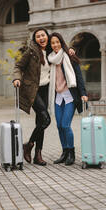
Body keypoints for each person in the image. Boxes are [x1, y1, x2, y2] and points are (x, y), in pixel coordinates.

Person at [13, 28, 75, 166]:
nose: (41, 38)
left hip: (46, 90)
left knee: (40, 121)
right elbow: (18, 66)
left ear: (47, 36)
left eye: (43, 35)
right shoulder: (31, 51)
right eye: (38, 36)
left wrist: (70, 50)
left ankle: (38, 155)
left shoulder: (50, 52)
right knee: (46, 119)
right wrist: (16, 79)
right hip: (32, 90)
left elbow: (60, 47)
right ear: (35, 39)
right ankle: (29, 145)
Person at [48, 32, 88, 165]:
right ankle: (64, 152)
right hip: (58, 96)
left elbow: (79, 76)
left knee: (65, 125)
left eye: (57, 42)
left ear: (61, 42)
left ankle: (71, 153)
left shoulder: (69, 56)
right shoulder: (50, 59)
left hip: (70, 96)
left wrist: (83, 93)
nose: (55, 45)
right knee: (59, 126)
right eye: (52, 43)